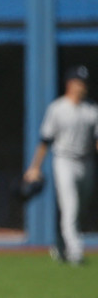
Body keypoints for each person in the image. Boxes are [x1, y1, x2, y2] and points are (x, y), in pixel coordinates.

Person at [23, 65, 98, 265]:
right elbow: (45, 140)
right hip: (64, 160)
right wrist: (35, 167)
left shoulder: (92, 109)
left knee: (80, 208)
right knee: (71, 207)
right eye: (79, 82)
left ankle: (60, 243)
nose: (83, 86)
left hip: (86, 161)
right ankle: (76, 253)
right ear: (70, 84)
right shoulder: (57, 108)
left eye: (84, 83)